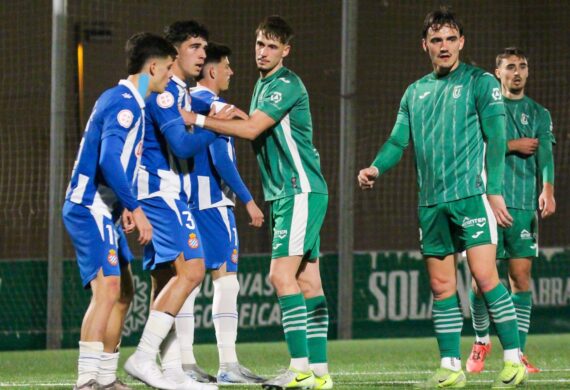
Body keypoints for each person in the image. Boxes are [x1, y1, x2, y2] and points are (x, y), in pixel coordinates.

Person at [357, 8, 527, 388]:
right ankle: (451, 367)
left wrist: (495, 190)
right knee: (442, 288)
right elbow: (398, 140)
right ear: (425, 46)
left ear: (462, 42)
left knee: (485, 278)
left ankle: (514, 360)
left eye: (451, 39)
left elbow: (497, 138)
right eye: (436, 40)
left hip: (471, 197)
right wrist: (375, 168)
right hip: (431, 203)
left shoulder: (481, 82)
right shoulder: (414, 92)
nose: (444, 46)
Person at [179, 15, 332, 390]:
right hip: (286, 194)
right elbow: (256, 122)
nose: (263, 52)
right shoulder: (263, 87)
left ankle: (298, 369)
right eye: (260, 44)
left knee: (280, 276)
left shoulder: (285, 83)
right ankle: (320, 374)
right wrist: (237, 115)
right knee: (308, 283)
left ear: (286, 51)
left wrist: (198, 120)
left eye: (272, 46)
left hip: (299, 190)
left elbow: (250, 131)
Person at [63, 32, 174, 390]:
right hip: (88, 207)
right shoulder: (124, 102)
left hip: (105, 210)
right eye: (169, 68)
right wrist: (135, 207)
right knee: (108, 290)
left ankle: (107, 379)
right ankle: (86, 380)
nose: (171, 76)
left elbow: (116, 162)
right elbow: (110, 159)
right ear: (153, 66)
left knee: (124, 291)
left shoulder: (129, 102)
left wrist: (123, 207)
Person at [123, 20, 220, 390]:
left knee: (166, 280)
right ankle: (144, 357)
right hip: (160, 193)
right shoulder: (164, 95)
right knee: (192, 272)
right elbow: (180, 147)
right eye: (195, 46)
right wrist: (215, 125)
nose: (202, 54)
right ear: (173, 53)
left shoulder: (176, 93)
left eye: (204, 47)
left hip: (156, 193)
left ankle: (174, 372)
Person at [173, 42, 265, 385]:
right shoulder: (214, 106)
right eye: (226, 66)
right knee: (227, 281)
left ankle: (185, 362)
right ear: (212, 71)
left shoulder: (186, 100)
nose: (231, 72)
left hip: (185, 203)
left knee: (190, 281)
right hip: (213, 204)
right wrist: (249, 200)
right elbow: (222, 159)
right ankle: (228, 363)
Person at [466, 47, 556, 375]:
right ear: (498, 73)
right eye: (510, 67)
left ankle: (517, 353)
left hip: (521, 207)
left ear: (528, 72)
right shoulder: (486, 108)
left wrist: (547, 189)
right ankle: (480, 340)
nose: (517, 72)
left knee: (520, 278)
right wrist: (511, 146)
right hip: (486, 203)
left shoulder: (539, 113)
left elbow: (545, 154)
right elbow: (474, 148)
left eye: (522, 66)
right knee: (480, 280)